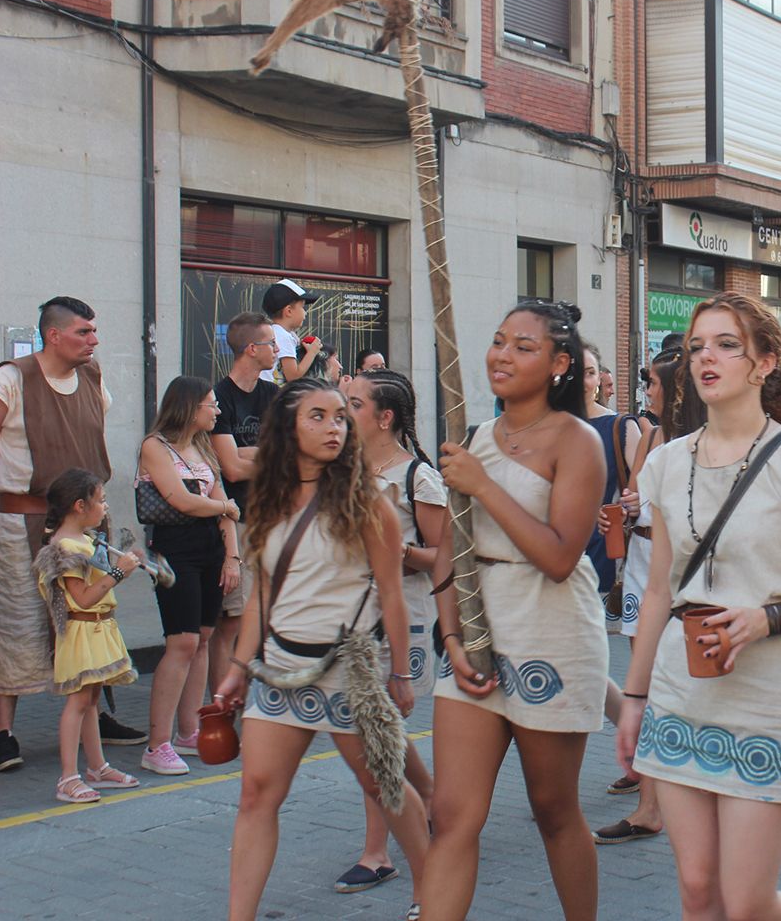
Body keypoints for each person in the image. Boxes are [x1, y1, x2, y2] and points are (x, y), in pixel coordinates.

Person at [616, 291, 781, 920]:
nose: (707, 358)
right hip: (682, 686)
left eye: (727, 345)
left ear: (764, 363)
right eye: (697, 346)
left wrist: (766, 617)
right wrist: (634, 697)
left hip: (766, 691)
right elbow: (657, 592)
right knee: (698, 890)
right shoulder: (667, 463)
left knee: (749, 901)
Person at [422, 300, 607, 920]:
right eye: (498, 341)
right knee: (451, 815)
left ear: (559, 364)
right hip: (473, 633)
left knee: (553, 809)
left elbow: (559, 556)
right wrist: (449, 634)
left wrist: (483, 484)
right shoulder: (475, 438)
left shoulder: (578, 440)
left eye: (522, 347)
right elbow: (450, 544)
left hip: (550, 627)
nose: (501, 355)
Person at [215, 379, 427, 921]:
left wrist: (400, 674)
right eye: (318, 416)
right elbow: (263, 592)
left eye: (339, 417)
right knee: (257, 795)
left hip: (348, 669)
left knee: (385, 788)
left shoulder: (369, 503)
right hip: (279, 669)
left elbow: (392, 594)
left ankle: (434, 893)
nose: (334, 426)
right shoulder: (268, 499)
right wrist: (239, 666)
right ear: (288, 428)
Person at [0, 296, 142, 773]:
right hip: (19, 523)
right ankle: (3, 734)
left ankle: (92, 715)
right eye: (84, 332)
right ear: (53, 335)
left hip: (85, 524)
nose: (94, 340)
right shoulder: (11, 378)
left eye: (94, 331)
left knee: (90, 619)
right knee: (18, 627)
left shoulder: (93, 379)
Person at [337, 368, 449, 894]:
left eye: (353, 404)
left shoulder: (416, 478)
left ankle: (378, 851)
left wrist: (395, 551)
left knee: (375, 734)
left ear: (384, 417)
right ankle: (434, 802)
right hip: (351, 621)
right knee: (380, 734)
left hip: (400, 618)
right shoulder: (340, 469)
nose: (344, 412)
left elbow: (445, 556)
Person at [594, 350, 698, 846]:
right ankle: (651, 805)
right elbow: (632, 495)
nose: (646, 391)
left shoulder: (706, 439)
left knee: (680, 683)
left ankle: (674, 793)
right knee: (650, 685)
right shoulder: (652, 434)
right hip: (642, 560)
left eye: (652, 382)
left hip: (686, 571)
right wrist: (624, 510)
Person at [136, 377, 241, 776]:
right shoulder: (154, 446)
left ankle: (188, 730)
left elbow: (223, 506)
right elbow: (179, 499)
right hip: (176, 551)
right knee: (181, 642)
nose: (217, 411)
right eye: (211, 405)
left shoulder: (203, 448)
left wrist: (232, 557)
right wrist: (225, 510)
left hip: (210, 550)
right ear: (190, 407)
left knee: (203, 640)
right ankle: (156, 742)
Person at [34, 468, 144, 803]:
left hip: (98, 629)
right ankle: (68, 777)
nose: (106, 507)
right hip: (82, 630)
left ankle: (97, 766)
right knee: (79, 702)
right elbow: (82, 598)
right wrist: (117, 572)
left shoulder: (86, 539)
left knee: (92, 701)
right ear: (80, 505)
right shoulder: (65, 546)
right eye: (102, 501)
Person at [210, 312, 281, 690]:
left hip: (272, 519)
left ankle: (260, 693)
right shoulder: (218, 397)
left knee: (270, 613)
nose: (277, 349)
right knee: (233, 620)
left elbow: (292, 453)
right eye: (271, 342)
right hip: (235, 522)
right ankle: (220, 704)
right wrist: (269, 456)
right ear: (251, 349)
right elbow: (231, 469)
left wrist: (249, 453)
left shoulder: (274, 395)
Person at [582, 343, 642, 627]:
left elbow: (651, 486)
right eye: (575, 372)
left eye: (590, 372)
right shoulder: (543, 426)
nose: (583, 380)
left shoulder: (620, 426)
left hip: (604, 549)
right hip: (549, 552)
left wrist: (634, 500)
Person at [259, 278, 321, 384]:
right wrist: (312, 352)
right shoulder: (283, 336)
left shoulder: (275, 332)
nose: (305, 313)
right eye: (302, 307)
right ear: (288, 311)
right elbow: (293, 376)